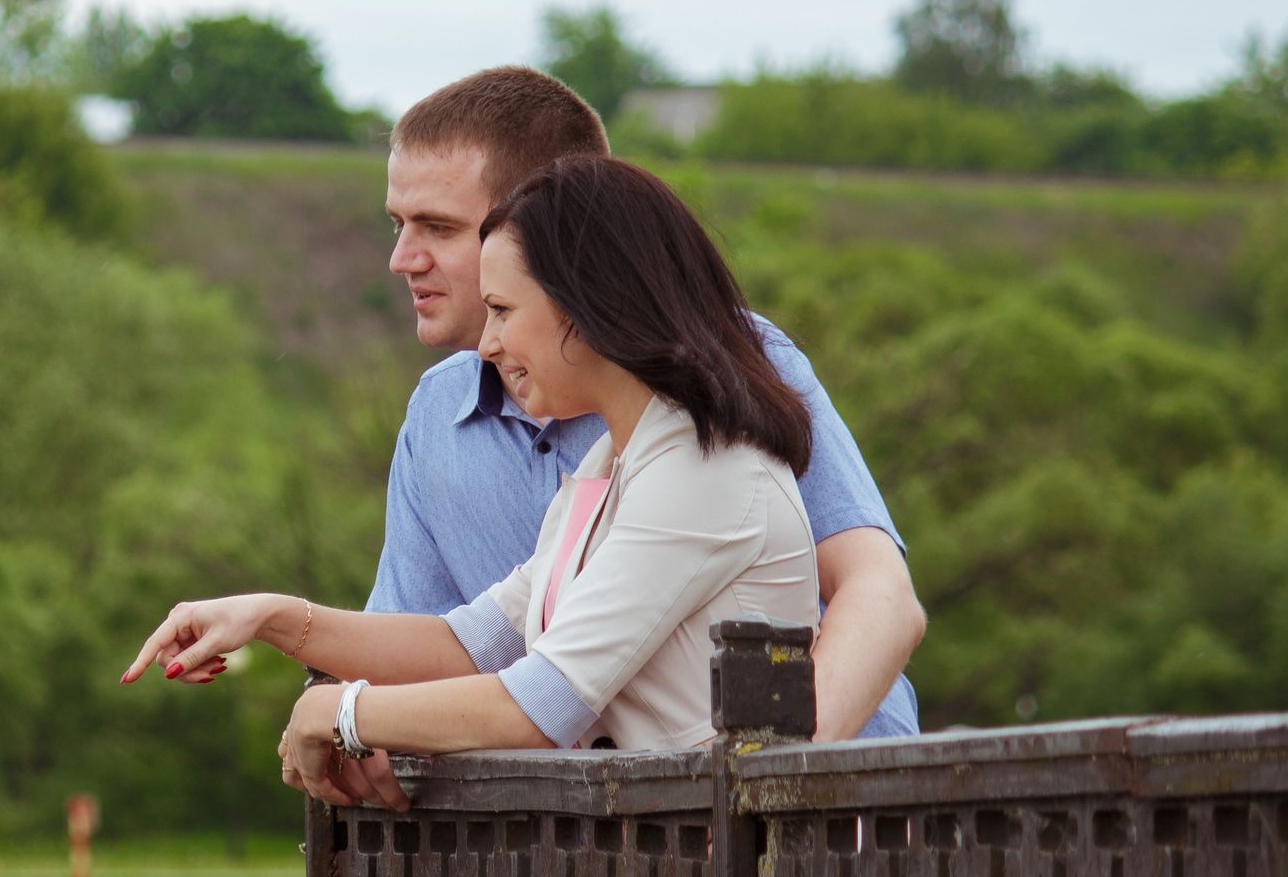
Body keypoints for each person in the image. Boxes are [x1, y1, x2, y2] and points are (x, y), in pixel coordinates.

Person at [128, 155, 833, 802]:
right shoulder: (617, 463)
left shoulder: (701, 471)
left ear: (586, 310)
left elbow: (539, 703)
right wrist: (272, 618)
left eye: (502, 310)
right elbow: (469, 644)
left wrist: (338, 711)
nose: (488, 344)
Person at [351, 68, 923, 745]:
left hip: (817, 817)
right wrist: (332, 694)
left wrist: (773, 792)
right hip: (632, 832)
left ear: (555, 226)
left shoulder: (732, 361)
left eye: (437, 227)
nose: (400, 258)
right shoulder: (436, 413)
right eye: (397, 224)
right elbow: (435, 646)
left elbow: (882, 596)